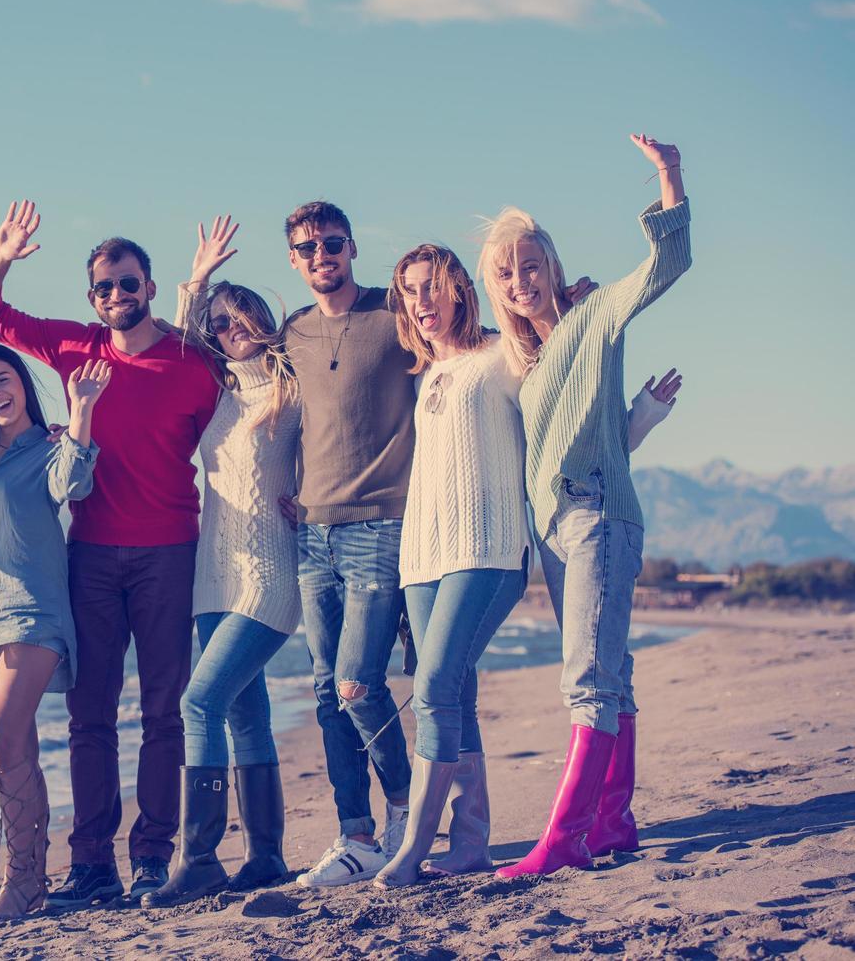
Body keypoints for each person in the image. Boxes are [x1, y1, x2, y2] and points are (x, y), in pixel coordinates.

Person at [370, 244, 680, 888]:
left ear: (458, 287)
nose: (420, 301)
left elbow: (571, 431)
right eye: (408, 291)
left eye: (431, 286)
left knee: (433, 689)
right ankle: (470, 842)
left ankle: (412, 854)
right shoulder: (426, 373)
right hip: (422, 555)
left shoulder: (507, 355)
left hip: (487, 549)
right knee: (456, 693)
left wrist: (639, 413)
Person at [0, 201, 220, 908]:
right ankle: (90, 864)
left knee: (164, 713)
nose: (116, 296)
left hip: (170, 550)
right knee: (90, 717)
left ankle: (150, 857)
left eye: (127, 283)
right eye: (104, 287)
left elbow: (238, 429)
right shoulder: (76, 347)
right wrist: (4, 253)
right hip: (93, 556)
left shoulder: (194, 365)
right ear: (91, 298)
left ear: (148, 286)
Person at [487, 134, 691, 880]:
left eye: (530, 265)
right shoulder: (529, 364)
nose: (519, 281)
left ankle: (565, 836)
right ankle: (612, 820)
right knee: (613, 674)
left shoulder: (595, 315)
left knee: (586, 680)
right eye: (505, 273)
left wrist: (667, 175)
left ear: (553, 268)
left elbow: (668, 265)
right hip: (558, 531)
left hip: (598, 516)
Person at [141, 217, 301, 907]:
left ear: (261, 322)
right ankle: (265, 854)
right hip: (213, 577)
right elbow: (174, 347)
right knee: (243, 716)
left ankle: (198, 857)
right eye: (220, 323)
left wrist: (311, 497)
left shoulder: (291, 390)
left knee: (199, 701)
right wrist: (195, 282)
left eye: (241, 319)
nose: (232, 330)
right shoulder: (212, 392)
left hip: (268, 575)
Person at [278, 200, 418, 886]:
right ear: (293, 260)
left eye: (330, 243)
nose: (318, 255)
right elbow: (225, 359)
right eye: (305, 248)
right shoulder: (293, 332)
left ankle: (404, 807)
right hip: (311, 530)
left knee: (357, 682)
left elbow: (470, 339)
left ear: (351, 247)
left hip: (379, 523)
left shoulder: (393, 311)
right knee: (325, 691)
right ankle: (354, 835)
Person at [0, 345, 110, 923]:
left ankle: (20, 885)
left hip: (34, 612)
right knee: (15, 751)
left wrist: (82, 410)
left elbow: (75, 484)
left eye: (4, 379)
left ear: (22, 384)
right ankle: (31, 880)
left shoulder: (49, 447)